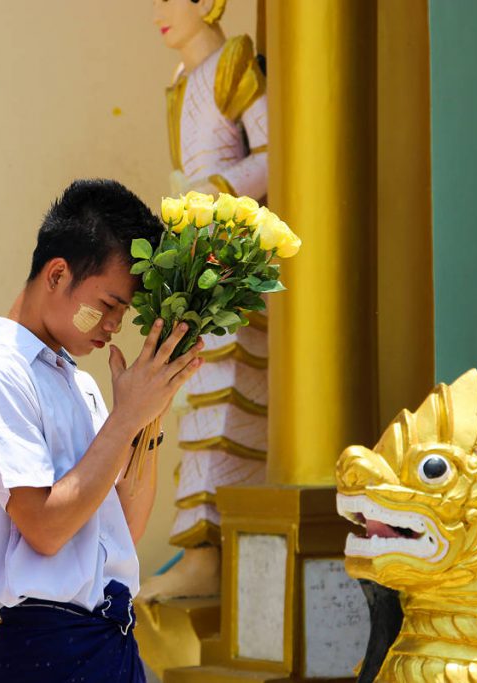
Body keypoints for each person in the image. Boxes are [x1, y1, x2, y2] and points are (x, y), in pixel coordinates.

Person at [0, 179, 203, 682]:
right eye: (108, 305)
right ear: (57, 274)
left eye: (123, 312)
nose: (113, 325)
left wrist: (151, 415)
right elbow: (45, 528)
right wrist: (126, 416)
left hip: (111, 636)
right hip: (47, 647)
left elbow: (121, 531)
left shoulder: (78, 384)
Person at [145, 0, 270, 601]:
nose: (158, 14)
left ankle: (210, 551)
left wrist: (214, 195)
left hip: (237, 253)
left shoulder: (234, 62)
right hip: (200, 256)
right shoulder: (182, 82)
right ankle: (198, 548)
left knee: (227, 401)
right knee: (192, 400)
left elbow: (273, 154)